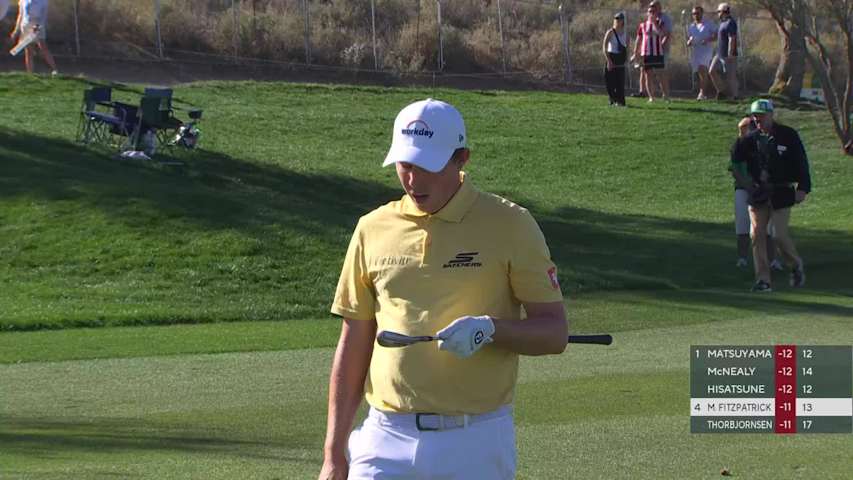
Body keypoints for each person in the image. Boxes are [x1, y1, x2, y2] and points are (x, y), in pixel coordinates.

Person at [318, 98, 568, 480]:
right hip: (384, 436)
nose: (413, 180)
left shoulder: (510, 225)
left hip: (475, 440)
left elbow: (553, 332)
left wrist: (490, 329)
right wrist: (334, 453)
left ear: (461, 158)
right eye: (405, 165)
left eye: (427, 166)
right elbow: (354, 342)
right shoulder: (372, 228)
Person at [731, 100, 811, 293]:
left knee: (778, 235)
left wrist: (803, 188)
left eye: (761, 115)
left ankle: (795, 264)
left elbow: (801, 162)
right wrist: (747, 183)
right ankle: (763, 280)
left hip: (781, 191)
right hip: (758, 193)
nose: (758, 119)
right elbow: (735, 160)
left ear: (771, 115)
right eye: (755, 116)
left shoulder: (787, 135)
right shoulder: (749, 139)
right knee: (756, 234)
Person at [731, 116, 782, 271]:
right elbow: (735, 169)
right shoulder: (739, 145)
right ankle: (742, 259)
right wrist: (748, 185)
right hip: (743, 189)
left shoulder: (764, 143)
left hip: (763, 188)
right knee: (743, 225)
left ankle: (772, 260)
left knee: (768, 227)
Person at [9, 0, 58, 75]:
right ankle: (30, 74)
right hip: (25, 26)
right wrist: (16, 31)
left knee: (43, 47)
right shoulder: (23, 1)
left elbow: (43, 17)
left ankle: (55, 70)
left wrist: (37, 28)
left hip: (37, 25)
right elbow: (21, 15)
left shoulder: (43, 2)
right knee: (28, 50)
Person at [631, 4, 667, 102]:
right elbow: (638, 40)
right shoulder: (643, 25)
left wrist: (654, 23)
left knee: (661, 75)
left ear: (657, 13)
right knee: (648, 75)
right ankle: (651, 97)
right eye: (650, 12)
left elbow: (662, 34)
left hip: (658, 53)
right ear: (647, 13)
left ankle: (666, 95)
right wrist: (635, 53)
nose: (652, 13)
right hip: (646, 53)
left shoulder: (660, 23)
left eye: (653, 12)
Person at [687, 5, 716, 100]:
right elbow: (690, 37)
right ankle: (703, 92)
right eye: (694, 14)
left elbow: (716, 35)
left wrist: (708, 39)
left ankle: (702, 93)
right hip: (696, 51)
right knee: (700, 72)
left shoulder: (708, 24)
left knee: (703, 70)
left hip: (706, 50)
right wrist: (689, 42)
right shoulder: (691, 26)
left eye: (697, 13)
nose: (695, 15)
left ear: (702, 13)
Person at [709, 2, 737, 100]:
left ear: (724, 12)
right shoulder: (722, 22)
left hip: (728, 54)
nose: (718, 13)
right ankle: (722, 91)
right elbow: (719, 37)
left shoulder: (730, 23)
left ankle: (734, 96)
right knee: (711, 71)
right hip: (719, 53)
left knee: (731, 76)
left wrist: (730, 53)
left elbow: (732, 39)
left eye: (719, 11)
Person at [603, 11, 628, 106]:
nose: (618, 21)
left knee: (620, 81)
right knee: (609, 80)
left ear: (623, 21)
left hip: (620, 58)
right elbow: (604, 47)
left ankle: (620, 101)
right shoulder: (610, 32)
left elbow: (627, 48)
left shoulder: (625, 34)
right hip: (611, 56)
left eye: (620, 19)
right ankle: (612, 98)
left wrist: (626, 60)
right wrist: (608, 60)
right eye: (616, 19)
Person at [649, 1, 673, 100]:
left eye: (654, 6)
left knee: (662, 72)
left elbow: (667, 34)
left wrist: (661, 45)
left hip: (662, 49)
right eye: (651, 7)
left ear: (659, 7)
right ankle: (652, 95)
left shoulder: (665, 18)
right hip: (652, 49)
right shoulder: (650, 18)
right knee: (652, 72)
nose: (652, 9)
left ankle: (666, 94)